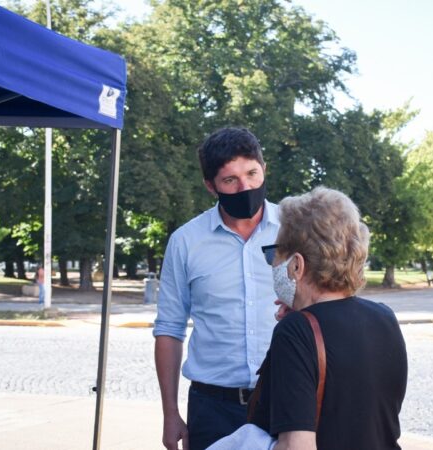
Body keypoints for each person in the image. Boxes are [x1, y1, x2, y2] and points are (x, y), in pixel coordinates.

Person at [249, 187, 408, 450]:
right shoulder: (384, 317)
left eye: (274, 253)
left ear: (297, 265)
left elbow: (296, 445)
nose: (272, 263)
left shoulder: (295, 332)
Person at [153, 127, 280, 450]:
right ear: (211, 186)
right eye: (230, 180)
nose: (245, 186)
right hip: (212, 409)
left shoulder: (297, 227)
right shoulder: (185, 242)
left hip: (284, 401)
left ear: (264, 169)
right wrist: (170, 414)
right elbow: (169, 329)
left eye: (252, 173)